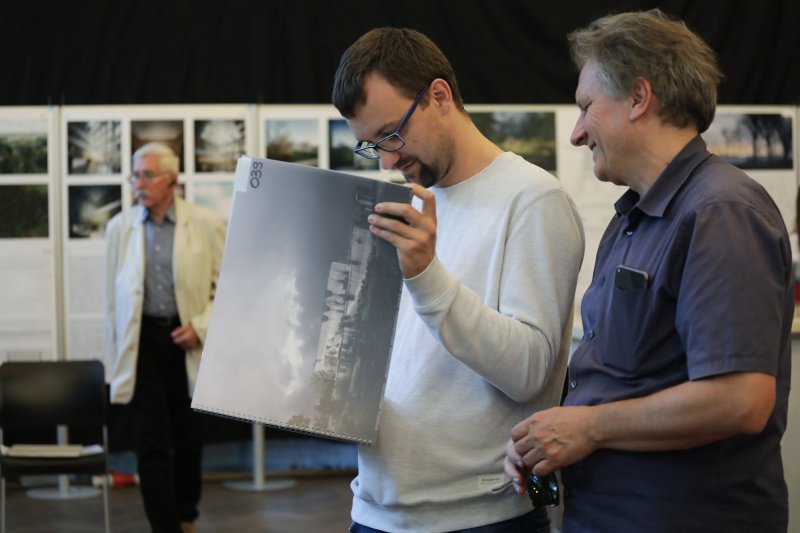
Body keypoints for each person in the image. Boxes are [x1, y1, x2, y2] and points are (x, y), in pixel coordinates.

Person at [505, 9, 792, 532]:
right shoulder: (632, 219)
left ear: (639, 98)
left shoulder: (721, 211)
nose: (577, 134)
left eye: (587, 107)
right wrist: (550, 435)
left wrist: (588, 427)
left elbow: (741, 399)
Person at [332, 28, 585, 532]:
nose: (387, 160)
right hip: (375, 508)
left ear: (439, 95)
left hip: (479, 518)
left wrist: (426, 275)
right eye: (371, 145)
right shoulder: (414, 199)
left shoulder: (533, 200)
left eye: (391, 134)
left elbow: (530, 371)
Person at [104, 142, 226, 533]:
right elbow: (112, 300)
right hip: (142, 342)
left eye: (147, 175)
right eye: (135, 176)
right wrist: (115, 352)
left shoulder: (205, 223)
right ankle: (164, 526)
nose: (138, 184)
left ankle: (186, 515)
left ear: (172, 179)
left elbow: (228, 286)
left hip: (186, 340)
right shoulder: (120, 227)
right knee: (150, 438)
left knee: (188, 438)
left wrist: (200, 328)